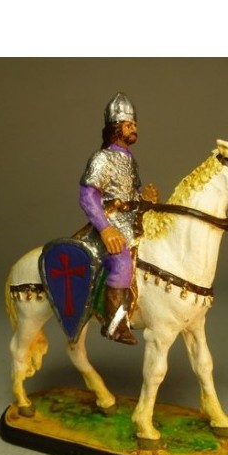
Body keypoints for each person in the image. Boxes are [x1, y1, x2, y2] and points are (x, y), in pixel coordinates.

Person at [79, 93, 158, 344]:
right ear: (116, 127)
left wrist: (144, 198)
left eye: (134, 124)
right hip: (111, 224)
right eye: (128, 125)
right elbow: (88, 196)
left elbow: (131, 194)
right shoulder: (101, 158)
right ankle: (114, 324)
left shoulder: (129, 160)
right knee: (122, 262)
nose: (134, 129)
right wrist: (105, 229)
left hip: (132, 221)